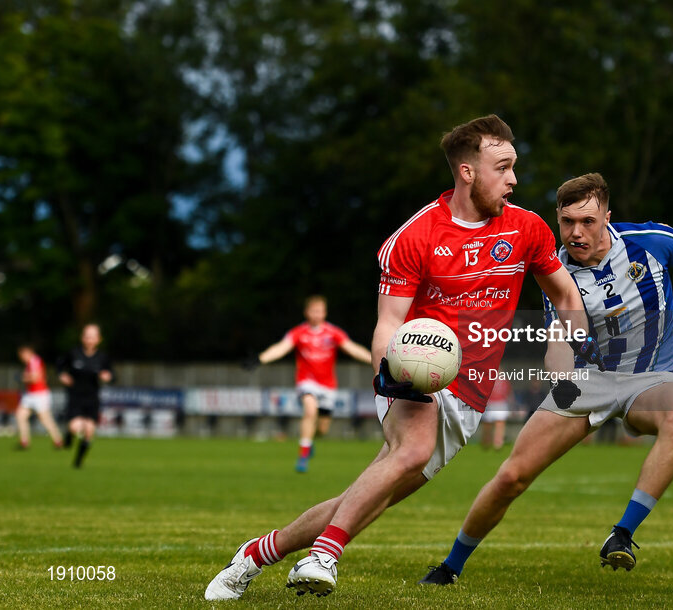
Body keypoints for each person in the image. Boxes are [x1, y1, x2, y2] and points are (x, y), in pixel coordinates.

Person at [204, 114, 602, 600]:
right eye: (502, 167)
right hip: (414, 373)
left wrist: (566, 354)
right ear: (467, 171)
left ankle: (255, 554)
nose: (514, 179)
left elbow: (565, 298)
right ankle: (324, 555)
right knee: (410, 451)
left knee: (374, 494)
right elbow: (388, 324)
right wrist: (388, 375)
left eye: (514, 167)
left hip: (471, 396)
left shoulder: (527, 229)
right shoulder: (415, 236)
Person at [418, 172, 673, 584]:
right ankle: (451, 565)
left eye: (587, 221)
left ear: (608, 215)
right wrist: (562, 382)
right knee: (512, 477)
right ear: (557, 218)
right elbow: (557, 339)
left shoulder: (649, 240)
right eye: (567, 221)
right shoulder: (554, 270)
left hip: (651, 377)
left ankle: (622, 534)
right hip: (587, 381)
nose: (576, 232)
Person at [244, 295, 372, 472]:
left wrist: (374, 359)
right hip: (307, 382)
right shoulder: (298, 333)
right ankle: (303, 455)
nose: (316, 314)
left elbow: (352, 348)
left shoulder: (333, 332)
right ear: (306, 312)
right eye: (313, 311)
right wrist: (260, 359)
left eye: (320, 311)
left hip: (328, 386)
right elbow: (281, 348)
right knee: (310, 410)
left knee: (322, 429)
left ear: (325, 312)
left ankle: (309, 441)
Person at [57, 324, 113, 468]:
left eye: (92, 337)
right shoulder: (73, 353)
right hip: (75, 397)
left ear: (98, 339)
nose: (89, 339)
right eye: (87, 336)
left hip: (92, 399)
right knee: (76, 427)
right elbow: (60, 366)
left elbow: (112, 375)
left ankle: (78, 462)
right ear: (82, 338)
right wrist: (62, 375)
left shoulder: (102, 357)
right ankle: (69, 435)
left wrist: (107, 376)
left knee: (89, 431)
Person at [14, 344, 63, 450]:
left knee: (45, 419)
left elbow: (36, 378)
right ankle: (24, 441)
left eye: (22, 355)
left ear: (27, 353)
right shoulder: (30, 363)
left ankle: (58, 440)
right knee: (20, 415)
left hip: (39, 394)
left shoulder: (35, 361)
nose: (21, 357)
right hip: (30, 394)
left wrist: (22, 378)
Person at [481, 378, 513, 450]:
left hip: (500, 403)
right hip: (490, 403)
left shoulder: (504, 381)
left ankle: (498, 444)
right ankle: (487, 442)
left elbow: (508, 392)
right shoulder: (488, 379)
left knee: (500, 424)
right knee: (487, 425)